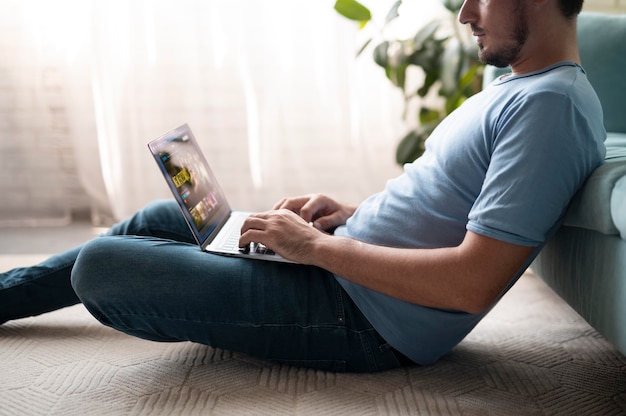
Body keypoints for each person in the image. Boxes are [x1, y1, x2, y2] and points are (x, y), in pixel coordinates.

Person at [0, 0, 606, 373]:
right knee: (168, 216)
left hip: (361, 321)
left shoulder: (549, 107)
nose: (466, 13)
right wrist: (347, 213)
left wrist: (313, 249)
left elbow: (473, 283)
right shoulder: (517, 83)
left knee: (105, 266)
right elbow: (441, 200)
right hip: (345, 270)